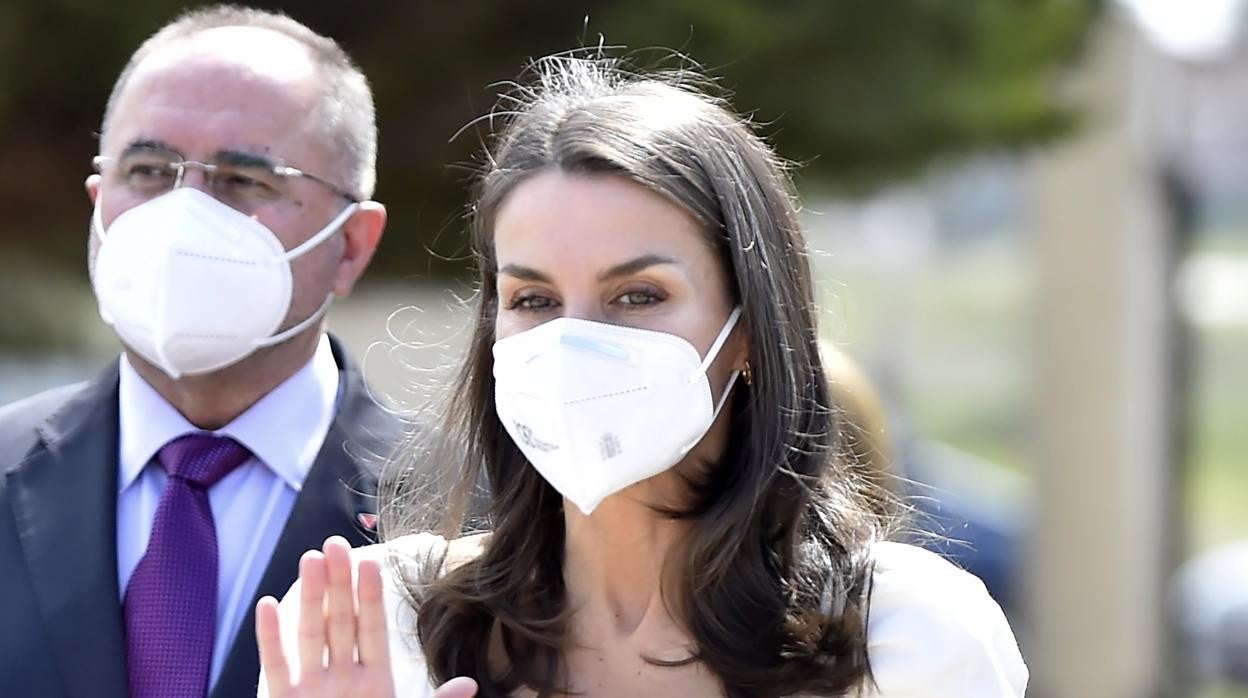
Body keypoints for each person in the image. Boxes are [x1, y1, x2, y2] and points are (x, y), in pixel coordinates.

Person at [256, 55, 1028, 697]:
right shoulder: (374, 626)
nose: (573, 340)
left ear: (750, 330)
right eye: (533, 298)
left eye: (637, 295)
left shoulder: (904, 638)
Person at [0, 6, 401, 698]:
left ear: (352, 245)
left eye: (244, 179)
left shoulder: (480, 515)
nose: (183, 214)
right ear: (98, 204)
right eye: (150, 169)